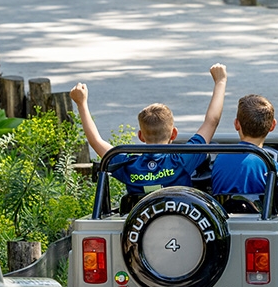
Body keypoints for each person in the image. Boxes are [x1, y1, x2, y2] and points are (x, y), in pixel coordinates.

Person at [70, 64, 229, 195]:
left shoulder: (127, 164)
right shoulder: (181, 160)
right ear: (173, 133)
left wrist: (81, 104)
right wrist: (220, 82)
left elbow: (96, 141)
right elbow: (211, 122)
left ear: (140, 136)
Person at [211, 94, 278, 213]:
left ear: (236, 124)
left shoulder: (220, 159)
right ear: (272, 126)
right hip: (261, 229)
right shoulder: (271, 166)